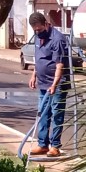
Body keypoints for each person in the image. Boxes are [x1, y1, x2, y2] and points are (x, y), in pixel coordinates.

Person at [27, 11, 70, 157]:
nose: (37, 32)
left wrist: (54, 84)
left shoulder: (57, 39)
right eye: (35, 30)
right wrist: (34, 75)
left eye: (39, 29)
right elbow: (38, 59)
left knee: (57, 113)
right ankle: (42, 144)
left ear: (46, 24)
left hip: (57, 85)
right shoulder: (38, 38)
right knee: (43, 114)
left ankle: (55, 146)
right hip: (43, 84)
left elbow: (60, 65)